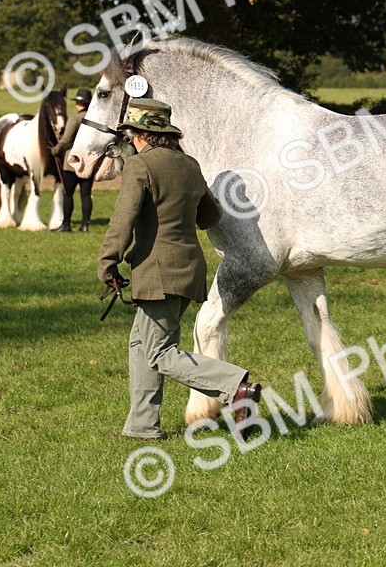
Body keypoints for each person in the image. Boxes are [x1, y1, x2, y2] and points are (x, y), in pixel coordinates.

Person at [98, 97, 261, 441]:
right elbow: (210, 217)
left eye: (130, 135)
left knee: (159, 353)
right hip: (189, 269)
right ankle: (142, 426)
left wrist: (108, 261)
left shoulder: (140, 167)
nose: (130, 141)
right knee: (140, 343)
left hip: (157, 272)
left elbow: (122, 220)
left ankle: (236, 387)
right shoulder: (189, 165)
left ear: (140, 135)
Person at [52, 89, 95, 233]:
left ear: (77, 103)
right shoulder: (94, 119)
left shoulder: (74, 119)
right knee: (85, 194)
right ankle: (85, 225)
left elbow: (66, 140)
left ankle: (66, 224)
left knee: (68, 193)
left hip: (72, 162)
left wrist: (55, 150)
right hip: (89, 161)